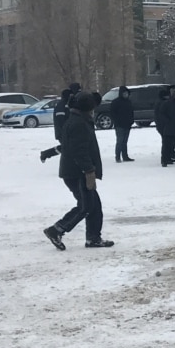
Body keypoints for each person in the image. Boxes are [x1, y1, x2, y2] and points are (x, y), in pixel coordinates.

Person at [43, 92, 113, 250]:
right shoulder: (79, 124)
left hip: (75, 171)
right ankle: (57, 230)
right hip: (77, 173)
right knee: (86, 206)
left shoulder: (77, 120)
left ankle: (93, 238)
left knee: (94, 205)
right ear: (88, 108)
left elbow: (69, 146)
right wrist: (88, 170)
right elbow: (78, 151)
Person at [110, 86, 136, 163]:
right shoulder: (115, 102)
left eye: (127, 93)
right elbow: (112, 113)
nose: (126, 95)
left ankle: (125, 156)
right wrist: (116, 121)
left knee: (125, 141)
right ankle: (117, 156)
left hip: (127, 124)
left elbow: (131, 112)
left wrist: (131, 121)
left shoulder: (128, 102)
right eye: (124, 93)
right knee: (120, 141)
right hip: (119, 125)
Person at [154, 88, 175, 166]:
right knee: (166, 143)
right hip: (163, 126)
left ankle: (167, 158)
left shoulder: (160, 102)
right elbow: (161, 115)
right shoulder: (162, 103)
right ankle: (165, 159)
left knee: (167, 143)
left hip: (162, 126)